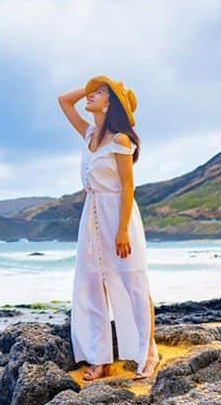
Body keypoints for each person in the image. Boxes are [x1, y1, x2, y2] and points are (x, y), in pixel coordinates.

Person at [57, 75, 160, 381]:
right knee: (92, 285)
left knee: (134, 285)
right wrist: (96, 88)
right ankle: (100, 358)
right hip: (91, 216)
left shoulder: (120, 140)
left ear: (111, 103)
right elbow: (64, 100)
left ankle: (148, 354)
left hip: (118, 215)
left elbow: (128, 187)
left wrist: (122, 231)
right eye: (92, 92)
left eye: (99, 93)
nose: (90, 96)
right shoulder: (89, 134)